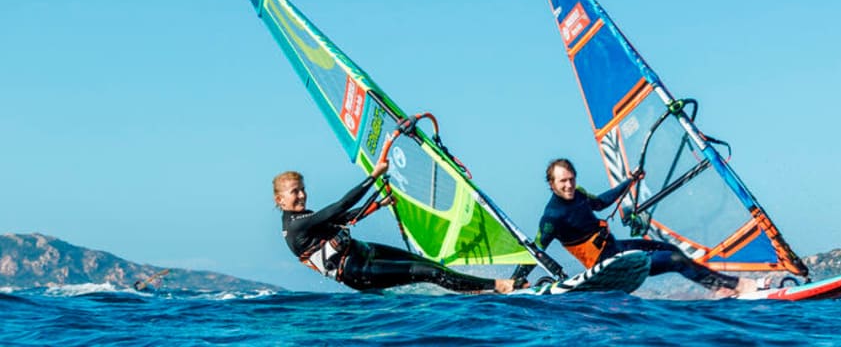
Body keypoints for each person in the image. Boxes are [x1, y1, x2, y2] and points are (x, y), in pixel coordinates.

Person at [511, 158, 760, 297]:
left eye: (571, 179)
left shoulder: (579, 194)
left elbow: (601, 202)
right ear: (551, 183)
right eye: (562, 181)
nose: (568, 185)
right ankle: (734, 285)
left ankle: (719, 288)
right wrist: (515, 281)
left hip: (617, 249)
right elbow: (536, 250)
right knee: (674, 259)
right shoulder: (551, 217)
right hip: (608, 265)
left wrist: (629, 181)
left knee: (668, 247)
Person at [274, 161, 516, 293]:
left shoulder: (304, 216)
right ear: (280, 200)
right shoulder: (295, 226)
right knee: (431, 274)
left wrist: (379, 204)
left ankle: (475, 289)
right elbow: (340, 207)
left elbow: (344, 217)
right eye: (295, 191)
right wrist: (373, 176)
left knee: (431, 264)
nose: (302, 195)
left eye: (303, 188)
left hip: (363, 250)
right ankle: (497, 286)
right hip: (357, 270)